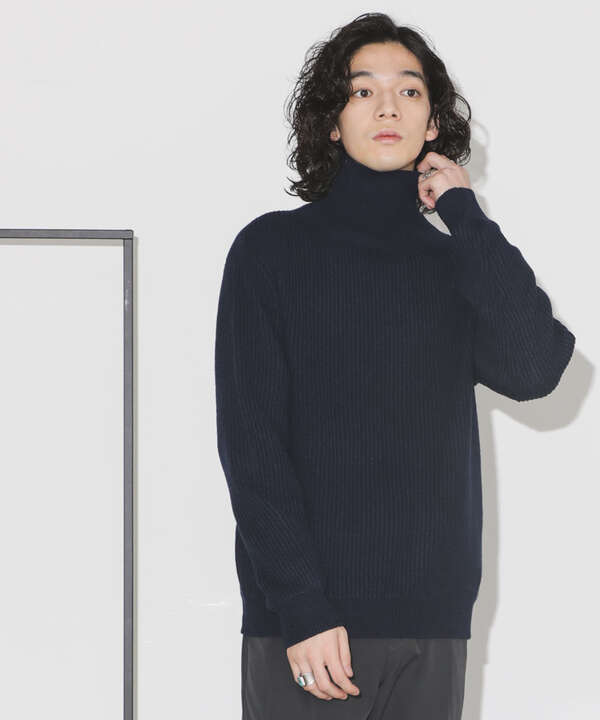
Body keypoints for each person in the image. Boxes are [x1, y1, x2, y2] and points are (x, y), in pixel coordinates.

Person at [214, 12, 576, 720]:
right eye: (363, 91)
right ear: (331, 122)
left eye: (409, 92)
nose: (388, 107)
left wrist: (466, 214)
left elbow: (537, 369)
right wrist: (301, 607)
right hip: (310, 627)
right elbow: (251, 444)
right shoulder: (270, 252)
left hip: (431, 624)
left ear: (432, 122)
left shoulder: (455, 262)